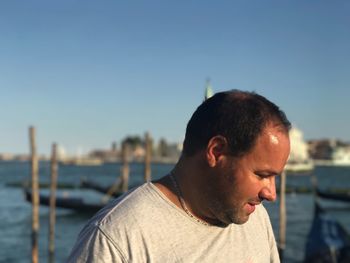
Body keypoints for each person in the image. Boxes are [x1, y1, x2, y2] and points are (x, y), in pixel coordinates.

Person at [67, 90, 291, 263]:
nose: (271, 194)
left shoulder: (256, 218)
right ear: (216, 151)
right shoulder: (117, 239)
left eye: (275, 178)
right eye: (262, 175)